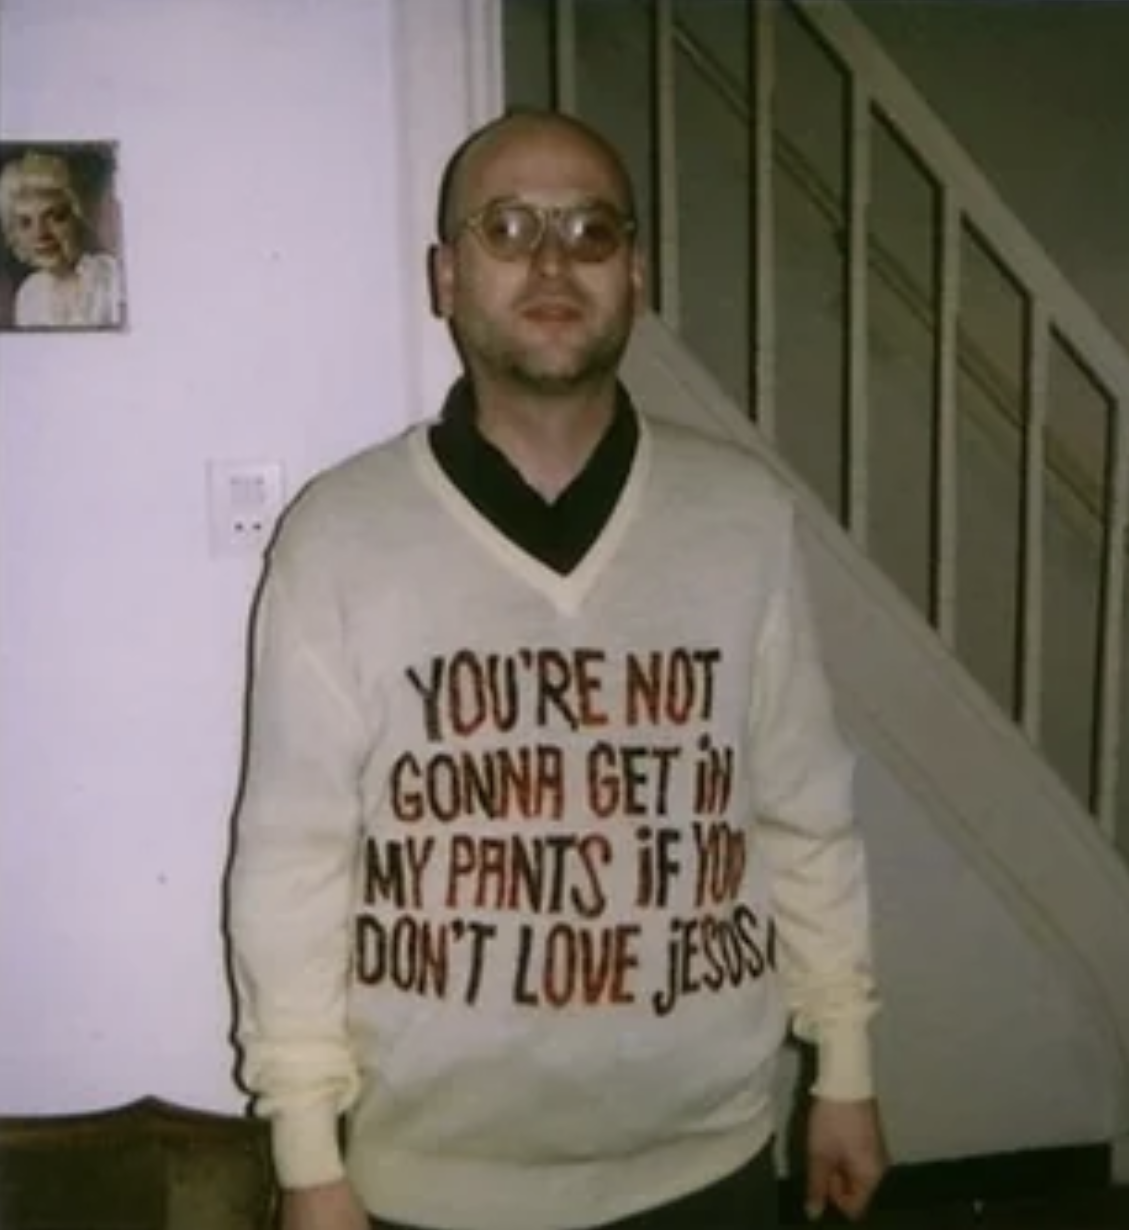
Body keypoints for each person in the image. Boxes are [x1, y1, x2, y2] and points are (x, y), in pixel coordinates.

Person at [228, 108, 888, 1230]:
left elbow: (806, 817)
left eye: (590, 230)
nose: (549, 261)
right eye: (506, 227)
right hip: (429, 1187)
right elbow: (292, 867)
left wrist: (846, 1071)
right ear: (446, 277)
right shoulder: (340, 537)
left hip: (707, 1164)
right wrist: (306, 1156)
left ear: (635, 275)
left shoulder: (742, 518)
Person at [0, 149, 123, 329]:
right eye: (25, 223)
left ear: (78, 218)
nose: (40, 234)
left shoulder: (110, 277)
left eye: (56, 217)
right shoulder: (29, 295)